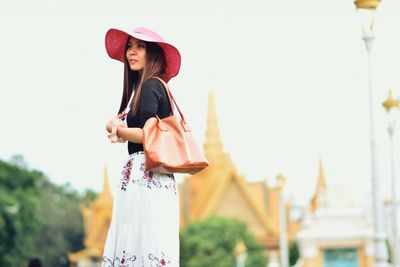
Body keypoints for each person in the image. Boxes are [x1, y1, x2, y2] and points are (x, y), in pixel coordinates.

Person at [102, 27, 181, 266]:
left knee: (142, 238)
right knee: (143, 238)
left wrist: (115, 129)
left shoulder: (150, 86)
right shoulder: (142, 87)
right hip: (147, 175)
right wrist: (120, 130)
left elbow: (148, 135)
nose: (131, 52)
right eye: (129, 46)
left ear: (153, 53)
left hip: (146, 174)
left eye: (140, 46)